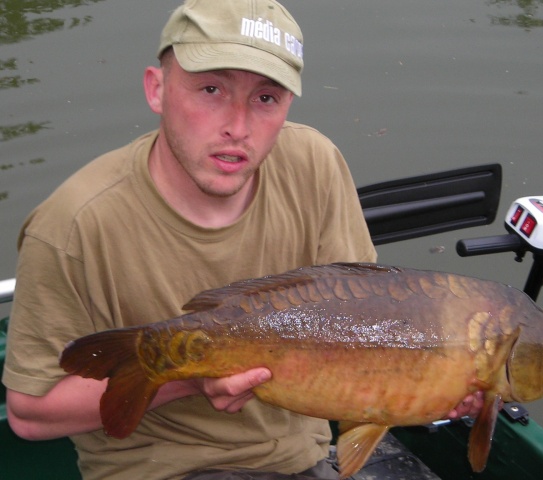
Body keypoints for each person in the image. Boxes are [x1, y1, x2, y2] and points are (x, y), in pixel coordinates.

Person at [2, 1, 482, 479]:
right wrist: (197, 374)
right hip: (166, 469)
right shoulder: (73, 224)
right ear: (157, 88)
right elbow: (29, 413)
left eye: (266, 99)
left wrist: (434, 381)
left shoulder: (313, 162)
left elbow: (359, 326)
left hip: (305, 457)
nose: (238, 126)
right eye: (211, 89)